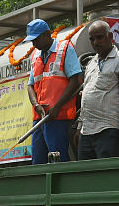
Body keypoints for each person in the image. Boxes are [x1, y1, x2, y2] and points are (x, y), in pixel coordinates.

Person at [25, 18, 83, 163]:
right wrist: (36, 105)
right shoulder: (35, 56)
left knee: (57, 158)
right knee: (38, 159)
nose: (33, 44)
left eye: (36, 39)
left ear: (46, 34)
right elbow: (30, 85)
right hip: (40, 118)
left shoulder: (64, 49)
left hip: (58, 117)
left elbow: (75, 80)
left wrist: (57, 107)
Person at [77, 20, 119, 159]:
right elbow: (85, 95)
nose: (95, 42)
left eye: (99, 37)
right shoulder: (91, 63)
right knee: (83, 176)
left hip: (108, 129)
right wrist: (80, 126)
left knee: (107, 175)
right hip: (86, 131)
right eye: (92, 39)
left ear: (110, 37)